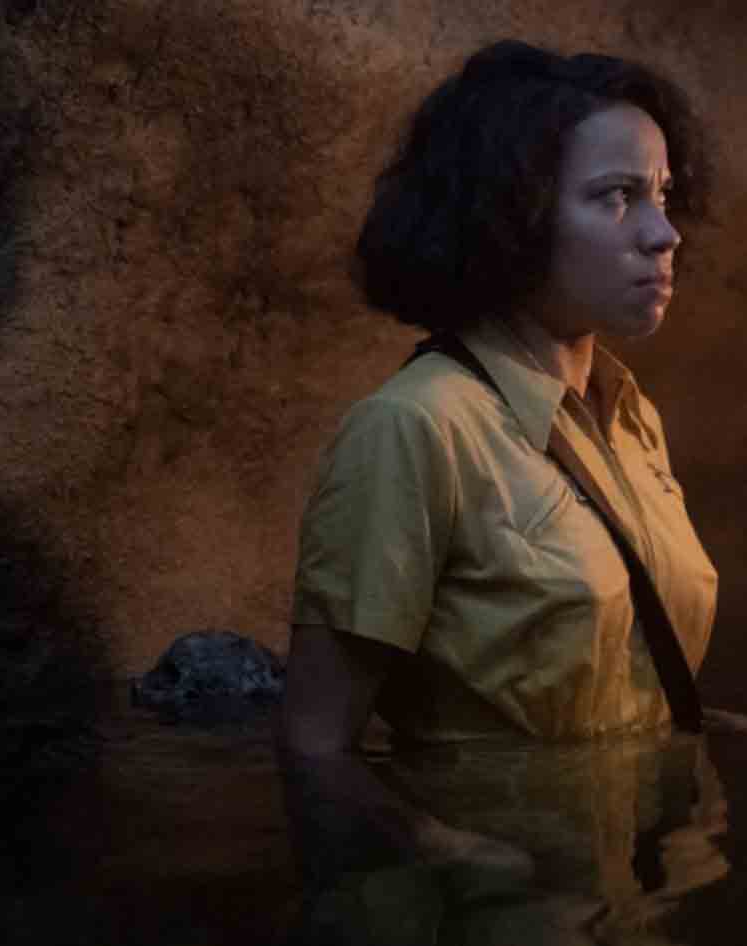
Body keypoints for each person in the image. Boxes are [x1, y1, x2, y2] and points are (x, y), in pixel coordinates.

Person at [278, 39, 721, 878]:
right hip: (496, 899)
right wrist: (452, 851)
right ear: (513, 216)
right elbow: (314, 745)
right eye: (618, 197)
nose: (664, 234)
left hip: (639, 884)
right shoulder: (416, 428)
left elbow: (629, 670)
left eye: (663, 195)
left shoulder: (631, 418)